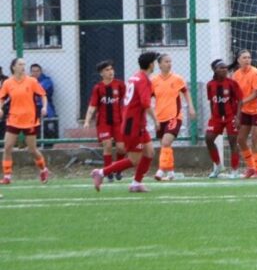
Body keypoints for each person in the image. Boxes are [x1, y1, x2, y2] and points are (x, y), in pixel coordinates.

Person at [92, 51, 158, 192]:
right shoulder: (144, 80)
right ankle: (101, 173)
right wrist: (156, 120)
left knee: (149, 152)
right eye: (155, 62)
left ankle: (136, 183)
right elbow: (146, 103)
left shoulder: (135, 77)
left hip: (137, 123)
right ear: (151, 64)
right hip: (133, 124)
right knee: (134, 159)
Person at [0, 58, 51, 184]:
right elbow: (2, 97)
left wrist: (44, 107)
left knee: (32, 150)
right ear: (13, 67)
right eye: (20, 64)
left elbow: (43, 95)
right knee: (7, 147)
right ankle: (7, 176)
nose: (23, 66)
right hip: (13, 119)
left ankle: (43, 169)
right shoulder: (8, 83)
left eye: (24, 64)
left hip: (30, 120)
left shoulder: (31, 81)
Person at [151, 53, 195, 181]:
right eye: (166, 61)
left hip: (174, 117)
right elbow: (148, 98)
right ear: (159, 64)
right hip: (159, 118)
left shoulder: (177, 79)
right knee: (165, 146)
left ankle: (160, 170)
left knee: (166, 142)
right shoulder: (154, 80)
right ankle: (170, 172)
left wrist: (191, 107)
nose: (169, 64)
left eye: (170, 61)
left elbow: (186, 92)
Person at [84, 60, 127, 182]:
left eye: (111, 69)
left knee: (121, 148)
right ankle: (108, 172)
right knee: (107, 145)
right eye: (107, 70)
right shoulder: (98, 88)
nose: (110, 72)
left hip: (119, 121)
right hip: (104, 122)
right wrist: (87, 120)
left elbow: (126, 101)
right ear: (101, 73)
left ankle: (118, 169)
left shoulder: (120, 85)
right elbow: (92, 106)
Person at [205, 59, 243, 179]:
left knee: (232, 141)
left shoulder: (232, 83)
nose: (224, 69)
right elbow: (212, 101)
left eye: (225, 67)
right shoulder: (210, 85)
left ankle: (235, 170)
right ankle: (218, 166)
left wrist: (237, 117)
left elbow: (240, 100)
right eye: (221, 68)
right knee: (209, 139)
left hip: (230, 117)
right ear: (215, 70)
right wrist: (212, 115)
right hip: (216, 117)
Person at [234, 50, 257, 179]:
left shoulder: (255, 73)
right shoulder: (236, 75)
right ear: (238, 60)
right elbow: (236, 95)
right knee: (241, 139)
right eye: (244, 58)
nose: (247, 60)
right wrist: (237, 113)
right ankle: (251, 167)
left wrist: (241, 102)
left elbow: (256, 93)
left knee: (255, 138)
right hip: (245, 111)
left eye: (249, 57)